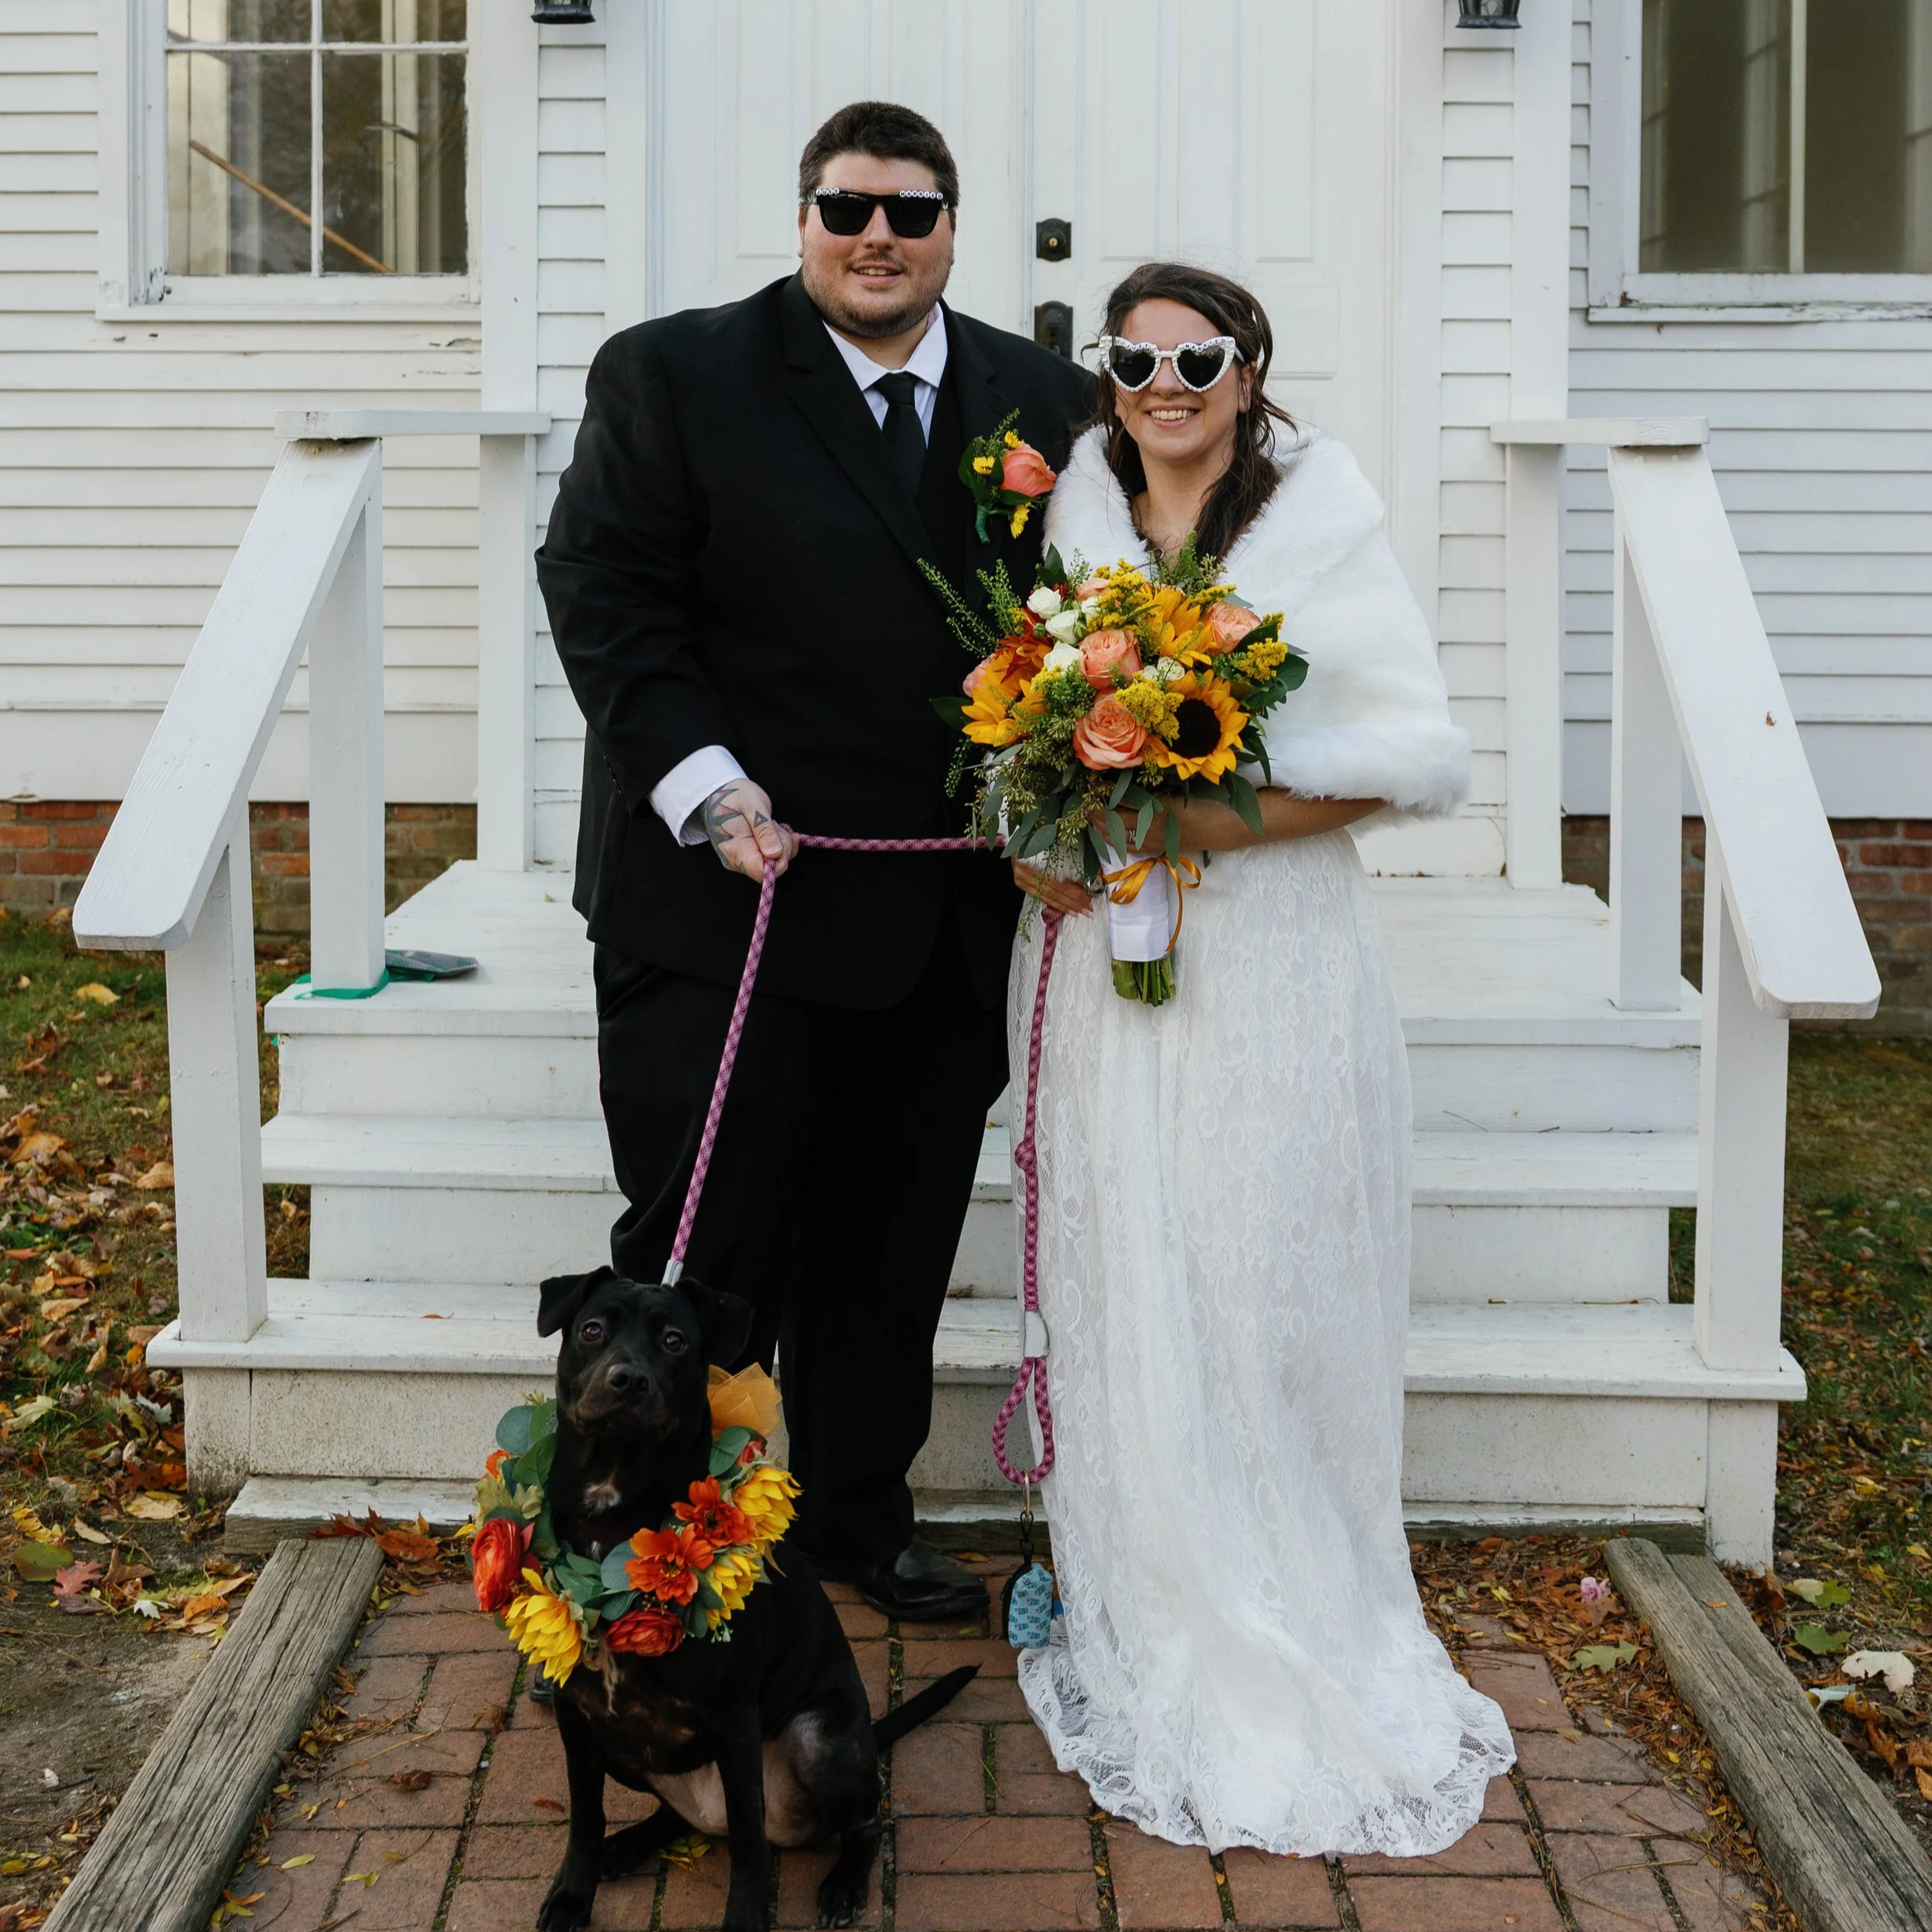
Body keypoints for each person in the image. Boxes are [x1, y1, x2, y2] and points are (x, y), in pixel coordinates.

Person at [535, 103, 1092, 1624]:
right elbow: (604, 588)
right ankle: (661, 1550)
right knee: (701, 1254)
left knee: (890, 1243)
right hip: (731, 902)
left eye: (910, 213)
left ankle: (855, 1514)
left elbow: (1088, 617)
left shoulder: (1041, 397)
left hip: (941, 913)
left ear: (951, 231)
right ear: (803, 218)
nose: (877, 237)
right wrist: (709, 791)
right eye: (848, 206)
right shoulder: (675, 373)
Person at [1010, 263, 1516, 1854]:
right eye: (1138, 358)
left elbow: (1390, 759)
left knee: (1254, 1252)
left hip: (1276, 947)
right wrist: (1048, 826)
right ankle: (1151, 1573)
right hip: (1110, 950)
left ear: (1247, 370)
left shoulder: (1317, 518)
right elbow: (1031, 733)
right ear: (1106, 375)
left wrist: (1178, 814)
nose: (1167, 383)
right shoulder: (1078, 516)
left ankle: (1287, 1589)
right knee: (1133, 1251)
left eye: (1199, 357)